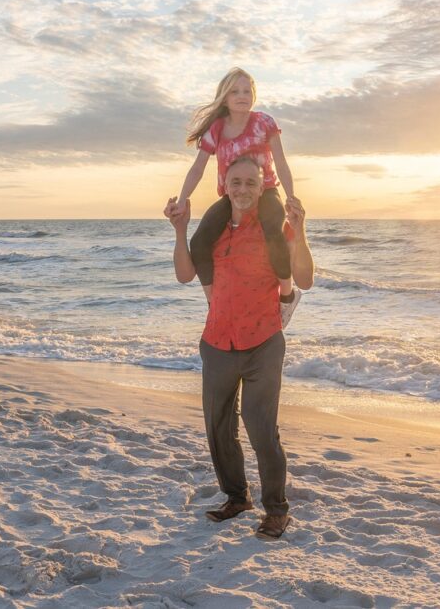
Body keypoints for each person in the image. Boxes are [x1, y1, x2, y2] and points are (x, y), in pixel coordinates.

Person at [165, 157, 314, 541]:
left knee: (261, 428)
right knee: (218, 428)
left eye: (251, 182)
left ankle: (276, 510)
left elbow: (305, 279)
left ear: (262, 186)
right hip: (216, 342)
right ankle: (237, 497)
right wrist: (180, 229)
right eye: (236, 182)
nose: (243, 189)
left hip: (263, 342)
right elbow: (184, 274)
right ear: (224, 186)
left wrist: (301, 229)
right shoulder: (212, 234)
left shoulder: (274, 230)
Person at [164, 67, 301, 325]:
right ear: (224, 98)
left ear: (254, 95)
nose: (242, 95)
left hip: (266, 191)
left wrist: (291, 196)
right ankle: (212, 302)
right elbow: (197, 168)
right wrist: (182, 200)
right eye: (235, 91)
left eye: (247, 91)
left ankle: (287, 296)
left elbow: (281, 163)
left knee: (273, 228)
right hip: (231, 197)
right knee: (201, 241)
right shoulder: (216, 129)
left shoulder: (264, 123)